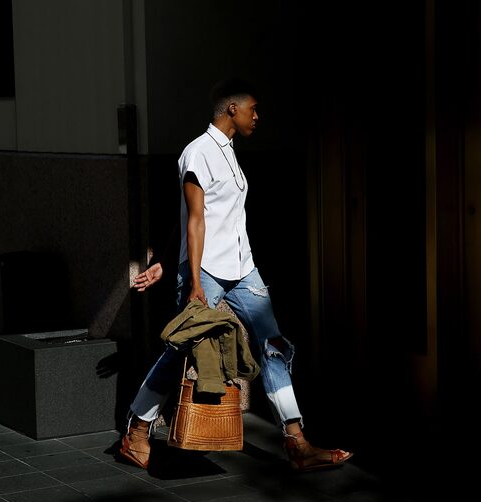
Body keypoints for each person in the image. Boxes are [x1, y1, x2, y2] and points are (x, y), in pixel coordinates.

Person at [120, 78, 353, 472]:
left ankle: (296, 442)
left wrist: (165, 257)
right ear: (232, 109)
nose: (257, 117)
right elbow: (194, 221)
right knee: (183, 349)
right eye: (253, 110)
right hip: (207, 272)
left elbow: (207, 216)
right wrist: (190, 279)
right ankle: (137, 431)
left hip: (243, 270)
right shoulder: (198, 152)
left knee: (273, 344)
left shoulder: (229, 152)